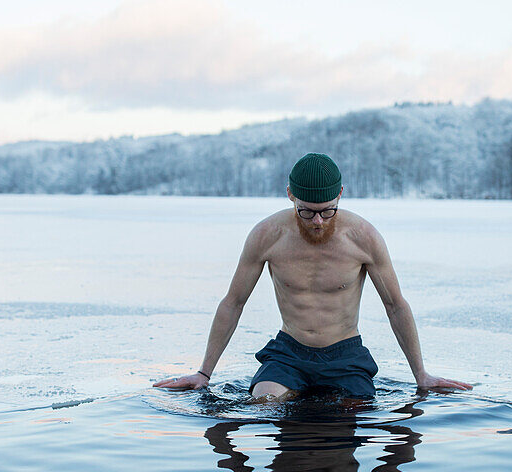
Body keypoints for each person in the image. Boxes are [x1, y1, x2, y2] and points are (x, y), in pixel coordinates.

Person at [154, 152, 472, 400]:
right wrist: (203, 374)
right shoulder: (267, 235)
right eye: (306, 211)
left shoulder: (363, 237)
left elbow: (395, 305)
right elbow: (233, 303)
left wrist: (421, 376)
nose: (318, 221)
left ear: (341, 196)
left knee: (353, 417)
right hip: (289, 351)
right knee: (264, 403)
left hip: (345, 353)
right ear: (290, 195)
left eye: (328, 210)